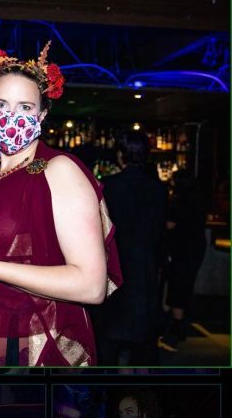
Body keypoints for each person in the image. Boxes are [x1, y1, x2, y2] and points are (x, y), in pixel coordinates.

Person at [0, 43, 122, 366]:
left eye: (25, 107)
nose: (11, 116)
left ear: (42, 115)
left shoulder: (59, 169)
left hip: (25, 350)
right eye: (1, 104)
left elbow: (91, 286)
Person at [89, 131, 167, 366]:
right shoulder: (157, 190)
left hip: (113, 273)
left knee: (107, 350)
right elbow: (159, 235)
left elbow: (97, 233)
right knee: (144, 351)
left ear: (120, 155)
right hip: (144, 273)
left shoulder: (107, 187)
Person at [159, 170, 208, 351]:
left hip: (180, 248)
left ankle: (176, 325)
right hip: (196, 247)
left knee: (176, 284)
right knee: (185, 283)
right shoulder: (198, 200)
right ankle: (178, 323)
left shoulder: (179, 201)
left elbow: (169, 224)